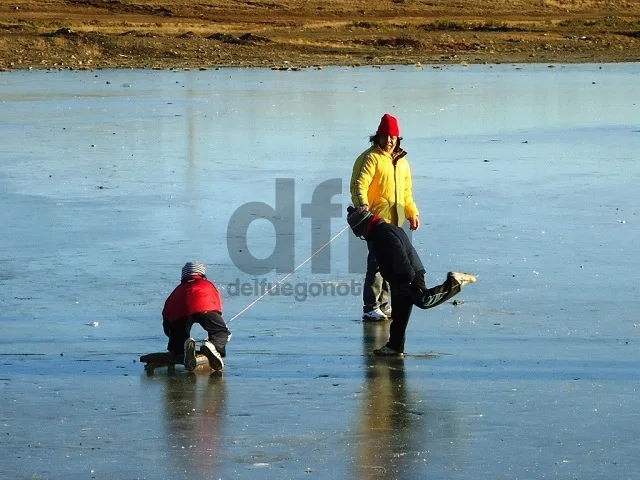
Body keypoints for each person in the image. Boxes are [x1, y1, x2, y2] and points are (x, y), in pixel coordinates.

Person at [346, 206, 477, 356]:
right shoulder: (382, 229)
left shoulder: (383, 234)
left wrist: (406, 280)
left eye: (359, 233)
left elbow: (399, 254)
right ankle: (394, 346)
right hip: (400, 276)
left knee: (424, 300)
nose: (361, 236)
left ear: (363, 226)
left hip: (408, 274)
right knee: (400, 314)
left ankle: (454, 282)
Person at [350, 113, 420, 321]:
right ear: (377, 137)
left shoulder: (402, 163)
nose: (389, 140)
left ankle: (383, 303)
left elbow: (406, 192)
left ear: (398, 138)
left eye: (393, 137)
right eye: (385, 136)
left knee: (392, 263)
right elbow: (359, 185)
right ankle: (371, 306)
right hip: (375, 222)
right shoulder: (371, 158)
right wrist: (362, 206)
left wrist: (412, 212)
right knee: (377, 263)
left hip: (395, 222)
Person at [162, 262, 231, 371]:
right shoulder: (207, 284)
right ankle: (213, 346)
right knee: (221, 333)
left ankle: (182, 347)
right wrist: (217, 319)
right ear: (202, 274)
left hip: (180, 313)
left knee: (178, 339)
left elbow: (167, 310)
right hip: (206, 308)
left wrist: (170, 332)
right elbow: (216, 303)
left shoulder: (178, 290)